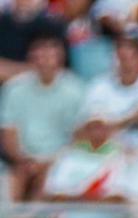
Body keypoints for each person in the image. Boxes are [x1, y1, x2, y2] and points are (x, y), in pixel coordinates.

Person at [0, 34, 85, 201]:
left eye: (49, 56)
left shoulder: (76, 89)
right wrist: (22, 159)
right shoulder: (14, 88)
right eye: (39, 56)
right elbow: (8, 132)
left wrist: (53, 160)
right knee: (16, 179)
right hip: (23, 159)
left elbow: (78, 135)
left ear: (60, 59)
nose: (44, 61)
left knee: (48, 177)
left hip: (59, 157)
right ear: (31, 59)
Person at [82, 35, 138, 138]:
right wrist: (131, 119)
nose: (124, 64)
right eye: (120, 57)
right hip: (109, 149)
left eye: (130, 57)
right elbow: (91, 130)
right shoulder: (99, 87)